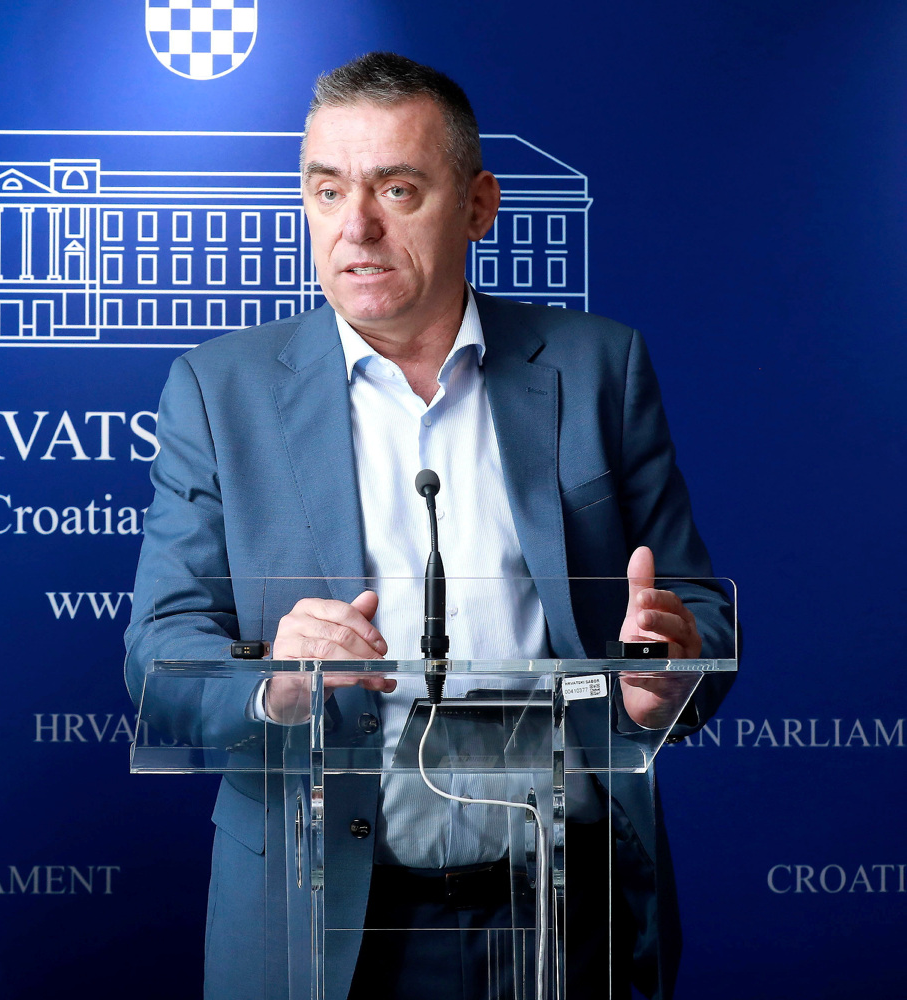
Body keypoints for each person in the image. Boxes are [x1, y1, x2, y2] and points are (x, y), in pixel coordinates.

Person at [124, 54, 736, 999]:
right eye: (327, 190)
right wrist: (275, 682)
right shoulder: (218, 390)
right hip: (321, 921)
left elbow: (694, 608)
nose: (356, 226)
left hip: (565, 916)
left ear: (478, 205)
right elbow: (160, 652)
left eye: (396, 189)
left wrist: (662, 682)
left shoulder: (597, 367)